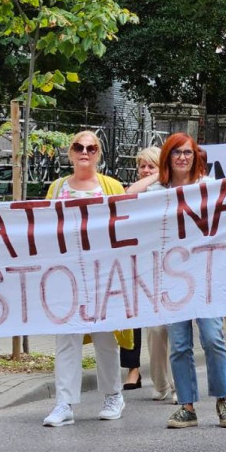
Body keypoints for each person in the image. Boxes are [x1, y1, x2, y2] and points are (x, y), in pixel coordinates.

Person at [148, 133, 226, 429]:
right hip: (171, 278)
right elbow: (128, 197)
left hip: (206, 276)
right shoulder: (157, 191)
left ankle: (223, 400)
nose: (182, 158)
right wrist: (150, 181)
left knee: (213, 338)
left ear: (195, 156)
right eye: (176, 153)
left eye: (187, 152)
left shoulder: (208, 188)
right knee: (179, 344)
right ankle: (187, 405)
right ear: (168, 158)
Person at [42, 131, 130, 427]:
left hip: (104, 275)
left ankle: (113, 395)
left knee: (106, 337)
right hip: (66, 275)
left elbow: (130, 223)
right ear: (70, 152)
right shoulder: (56, 188)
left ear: (98, 153)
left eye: (91, 148)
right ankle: (64, 403)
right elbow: (42, 228)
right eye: (79, 147)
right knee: (67, 338)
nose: (85, 152)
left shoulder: (112, 187)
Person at [122, 147, 176, 403]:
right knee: (155, 331)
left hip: (175, 269)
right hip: (147, 269)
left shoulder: (171, 191)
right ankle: (161, 383)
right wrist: (152, 176)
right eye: (141, 166)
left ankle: (179, 387)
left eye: (151, 166)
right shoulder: (138, 193)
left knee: (176, 330)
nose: (145, 171)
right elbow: (128, 194)